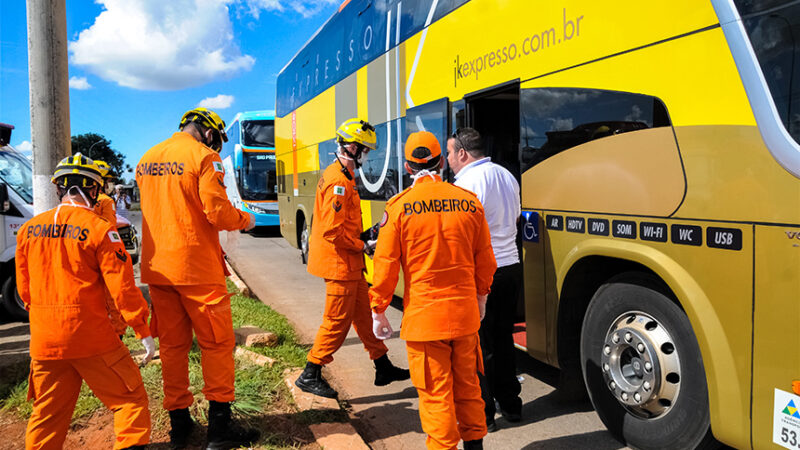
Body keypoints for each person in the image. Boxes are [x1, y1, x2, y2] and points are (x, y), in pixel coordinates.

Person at [136, 107, 259, 449]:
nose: (217, 146)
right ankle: (219, 431)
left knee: (172, 348)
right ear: (209, 133)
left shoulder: (147, 158)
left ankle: (180, 426)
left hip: (158, 271)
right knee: (216, 346)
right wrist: (243, 220)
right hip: (197, 271)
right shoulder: (205, 158)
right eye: (218, 140)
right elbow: (217, 212)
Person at [369, 131, 497, 450]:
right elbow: (486, 259)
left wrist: (378, 309)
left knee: (436, 396)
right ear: (441, 162)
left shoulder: (398, 208)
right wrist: (481, 297)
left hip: (425, 321)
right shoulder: (469, 202)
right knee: (469, 387)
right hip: (465, 316)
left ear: (409, 167)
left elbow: (384, 264)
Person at [17, 153, 155, 450]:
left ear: (58, 188)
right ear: (93, 190)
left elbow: (24, 291)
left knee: (47, 414)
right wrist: (142, 331)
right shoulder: (100, 229)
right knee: (130, 401)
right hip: (90, 336)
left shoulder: (28, 230)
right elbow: (122, 288)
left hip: (44, 340)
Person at [295, 118, 409, 399]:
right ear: (354, 148)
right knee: (336, 321)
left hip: (348, 264)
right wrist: (362, 244)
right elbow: (333, 232)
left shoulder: (342, 176)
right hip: (339, 264)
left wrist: (361, 241)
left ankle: (382, 365)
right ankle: (310, 372)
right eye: (366, 150)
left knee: (362, 315)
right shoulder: (338, 181)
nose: (367, 156)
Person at [448, 127, 523, 430]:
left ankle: (484, 414)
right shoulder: (506, 175)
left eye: (451, 153)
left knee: (480, 346)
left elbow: (462, 230)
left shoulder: (467, 182)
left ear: (463, 153)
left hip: (483, 273)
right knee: (504, 339)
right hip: (511, 267)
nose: (449, 160)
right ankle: (512, 406)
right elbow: (515, 216)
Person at [94, 160, 128, 339]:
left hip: (87, 259)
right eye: (108, 181)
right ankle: (117, 338)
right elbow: (109, 228)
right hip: (106, 257)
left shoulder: (80, 203)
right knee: (113, 300)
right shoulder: (105, 201)